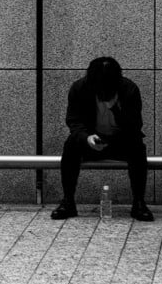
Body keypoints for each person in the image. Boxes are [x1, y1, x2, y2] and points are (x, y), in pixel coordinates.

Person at [51, 57, 154, 221]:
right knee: (70, 145)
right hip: (91, 139)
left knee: (137, 147)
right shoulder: (80, 88)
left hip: (120, 140)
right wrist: (87, 138)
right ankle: (68, 201)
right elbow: (73, 120)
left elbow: (135, 126)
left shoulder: (129, 90)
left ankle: (139, 202)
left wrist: (115, 109)